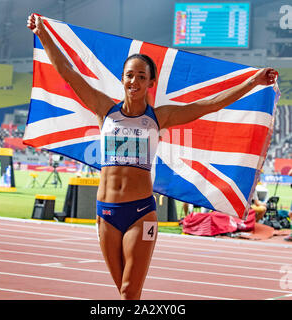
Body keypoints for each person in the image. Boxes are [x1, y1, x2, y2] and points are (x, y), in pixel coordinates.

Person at [27, 14, 278, 299]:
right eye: (129, 75)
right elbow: (68, 72)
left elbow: (210, 104)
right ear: (123, 79)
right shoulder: (104, 110)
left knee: (129, 291)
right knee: (122, 291)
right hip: (105, 212)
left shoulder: (159, 117)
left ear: (151, 83)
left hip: (139, 213)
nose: (134, 80)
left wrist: (253, 82)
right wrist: (43, 33)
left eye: (141, 76)